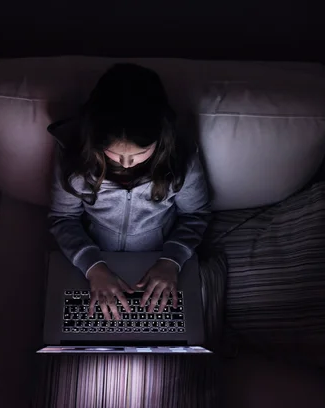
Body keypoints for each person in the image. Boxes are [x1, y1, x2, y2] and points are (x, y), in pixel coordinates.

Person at [48, 63, 210, 321]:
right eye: (114, 153)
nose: (126, 164)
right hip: (91, 264)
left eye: (139, 154)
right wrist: (93, 267)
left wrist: (172, 260)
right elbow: (62, 218)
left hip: (162, 263)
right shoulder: (74, 158)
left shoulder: (181, 157)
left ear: (160, 138)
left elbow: (196, 215)